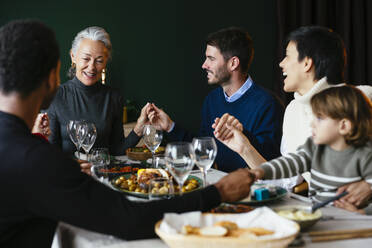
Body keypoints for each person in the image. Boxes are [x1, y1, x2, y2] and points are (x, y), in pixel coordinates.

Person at [0, 20, 254, 247]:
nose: (92, 66)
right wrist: (218, 193)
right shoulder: (36, 160)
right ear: (53, 77)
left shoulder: (28, 152)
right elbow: (129, 220)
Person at [215, 26, 372, 205]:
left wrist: (369, 185)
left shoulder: (363, 97)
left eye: (288, 56)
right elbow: (287, 181)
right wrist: (244, 148)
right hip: (326, 213)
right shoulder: (293, 110)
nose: (281, 63)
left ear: (307, 63)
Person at [148, 27, 284, 172]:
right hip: (218, 185)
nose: (204, 65)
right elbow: (202, 149)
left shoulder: (268, 104)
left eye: (211, 59)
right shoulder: (212, 100)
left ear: (233, 63)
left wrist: (241, 134)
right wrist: (170, 127)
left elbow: (270, 163)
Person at [249, 85, 372, 214]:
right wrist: (260, 171)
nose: (311, 124)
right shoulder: (314, 148)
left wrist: (362, 214)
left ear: (344, 126)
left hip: (352, 221)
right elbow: (291, 163)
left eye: (319, 118)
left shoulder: (365, 155)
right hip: (318, 215)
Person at [47, 26, 149, 156]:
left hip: (103, 173)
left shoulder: (113, 97)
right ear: (73, 56)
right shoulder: (55, 96)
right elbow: (50, 152)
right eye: (86, 58)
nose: (92, 67)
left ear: (106, 61)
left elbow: (117, 150)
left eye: (99, 61)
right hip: (67, 173)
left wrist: (139, 129)